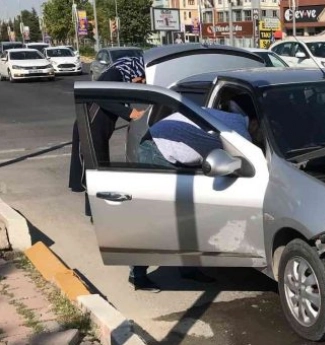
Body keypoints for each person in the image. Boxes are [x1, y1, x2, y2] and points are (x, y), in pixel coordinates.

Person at [129, 106, 262, 292]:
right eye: (262, 135)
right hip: (157, 149)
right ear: (255, 124)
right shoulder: (241, 135)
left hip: (171, 147)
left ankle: (188, 268)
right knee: (160, 219)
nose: (261, 140)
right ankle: (138, 274)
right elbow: (247, 170)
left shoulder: (234, 119)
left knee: (188, 216)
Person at [68, 56, 147, 217]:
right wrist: (130, 113)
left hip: (96, 128)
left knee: (97, 169)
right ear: (134, 70)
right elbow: (100, 96)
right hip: (90, 127)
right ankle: (96, 213)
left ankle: (95, 212)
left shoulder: (121, 76)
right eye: (141, 78)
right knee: (95, 170)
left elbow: (115, 101)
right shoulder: (115, 74)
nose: (141, 82)